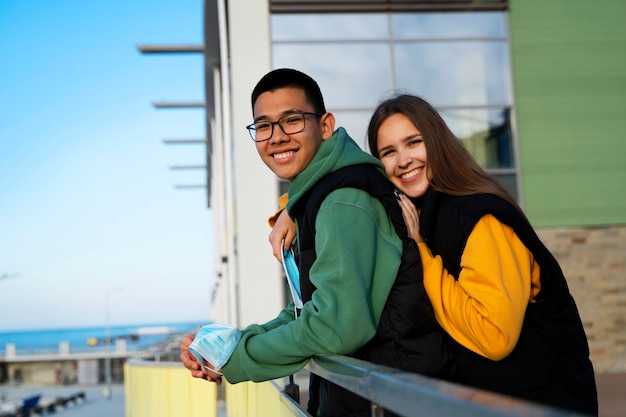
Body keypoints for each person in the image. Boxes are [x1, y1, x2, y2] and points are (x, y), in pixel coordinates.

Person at [271, 94, 598, 415]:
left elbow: (494, 337)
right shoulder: (417, 212)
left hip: (539, 403)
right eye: (388, 152)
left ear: (437, 142)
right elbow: (354, 180)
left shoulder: (481, 219)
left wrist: (422, 254)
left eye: (413, 143)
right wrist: (295, 209)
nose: (403, 160)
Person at [180, 70, 448, 417]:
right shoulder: (321, 197)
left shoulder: (341, 202)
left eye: (291, 120)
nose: (276, 137)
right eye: (263, 126)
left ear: (325, 126)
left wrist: (237, 358)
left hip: (387, 402)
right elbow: (310, 310)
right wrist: (231, 344)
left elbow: (334, 327)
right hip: (371, 397)